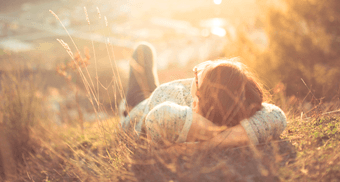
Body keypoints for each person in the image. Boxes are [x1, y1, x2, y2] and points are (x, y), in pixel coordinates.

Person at [120, 42, 287, 148]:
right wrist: (220, 134)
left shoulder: (171, 114)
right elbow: (276, 116)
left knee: (142, 50)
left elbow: (159, 115)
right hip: (153, 97)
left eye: (199, 74)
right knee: (144, 50)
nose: (196, 72)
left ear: (197, 99)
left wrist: (201, 146)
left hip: (139, 107)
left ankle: (124, 111)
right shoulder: (228, 109)